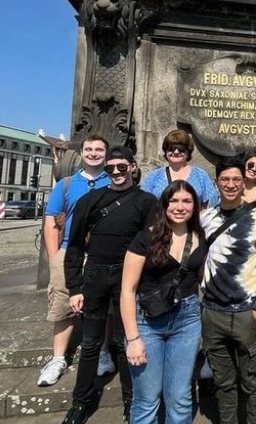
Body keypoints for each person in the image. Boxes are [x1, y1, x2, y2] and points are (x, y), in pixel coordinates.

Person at [62, 146, 157, 424]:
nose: (116, 172)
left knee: (123, 341)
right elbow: (76, 246)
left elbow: (151, 247)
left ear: (132, 167)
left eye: (121, 167)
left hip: (127, 278)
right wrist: (74, 287)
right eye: (111, 168)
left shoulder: (146, 201)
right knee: (91, 343)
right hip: (95, 275)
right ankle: (81, 402)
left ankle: (131, 400)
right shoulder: (90, 200)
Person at [201, 157, 256, 424]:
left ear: (244, 182)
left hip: (246, 312)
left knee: (252, 383)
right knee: (223, 384)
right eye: (225, 179)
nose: (231, 184)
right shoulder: (206, 219)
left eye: (236, 179)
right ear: (216, 183)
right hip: (213, 313)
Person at [120, 180, 207, 424]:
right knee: (147, 399)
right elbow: (127, 290)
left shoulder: (200, 238)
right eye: (174, 200)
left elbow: (203, 278)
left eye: (187, 201)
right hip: (148, 321)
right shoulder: (145, 239)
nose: (180, 207)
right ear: (164, 204)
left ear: (195, 206)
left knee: (180, 398)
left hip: (187, 320)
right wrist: (133, 339)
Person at [38, 134, 111, 387]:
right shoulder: (67, 184)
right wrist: (55, 254)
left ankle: (103, 352)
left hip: (102, 252)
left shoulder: (113, 181)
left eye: (99, 149)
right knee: (62, 305)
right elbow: (51, 219)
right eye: (89, 149)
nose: (93, 153)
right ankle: (58, 357)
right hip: (69, 251)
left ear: (106, 153)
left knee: (103, 305)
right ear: (81, 152)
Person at [208, 150, 256, 242]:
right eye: (250, 165)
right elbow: (209, 221)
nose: (254, 169)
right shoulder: (221, 192)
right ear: (243, 165)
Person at [141, 129, 217, 207]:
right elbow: (142, 203)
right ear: (166, 151)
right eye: (171, 148)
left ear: (188, 151)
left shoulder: (200, 175)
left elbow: (211, 204)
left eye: (181, 149)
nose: (176, 152)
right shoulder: (154, 176)